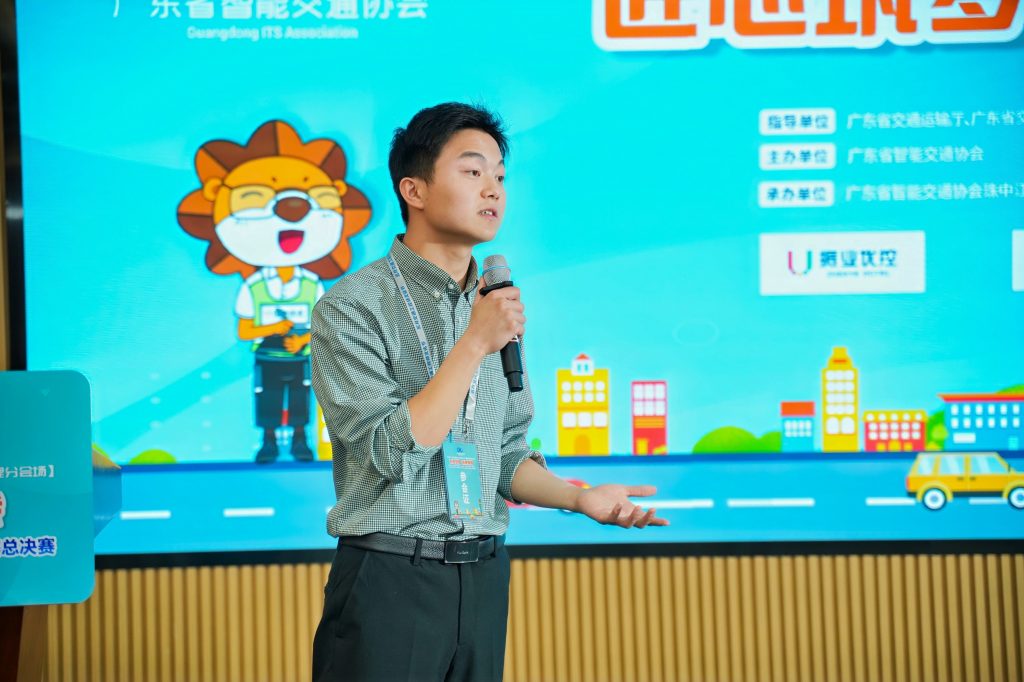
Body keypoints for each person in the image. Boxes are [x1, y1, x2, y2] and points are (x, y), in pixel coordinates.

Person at [310, 102, 667, 682]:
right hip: (390, 577)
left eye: (500, 175)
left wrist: (579, 499)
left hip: (482, 576)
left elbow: (503, 454)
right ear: (413, 190)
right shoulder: (352, 307)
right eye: (472, 171)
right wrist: (474, 342)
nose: (493, 189)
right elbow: (391, 452)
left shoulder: (496, 305)